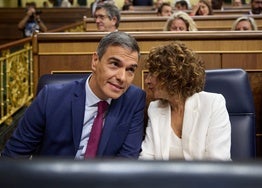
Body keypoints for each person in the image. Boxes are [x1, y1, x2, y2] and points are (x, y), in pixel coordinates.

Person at [1, 31, 146, 159]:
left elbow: (127, 159)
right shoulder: (50, 97)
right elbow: (14, 155)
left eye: (130, 70)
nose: (122, 77)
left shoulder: (134, 99)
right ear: (95, 61)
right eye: (114, 64)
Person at [139, 41, 231, 160]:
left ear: (171, 76)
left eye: (152, 74)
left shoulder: (213, 103)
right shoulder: (155, 108)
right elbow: (147, 157)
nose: (147, 81)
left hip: (209, 178)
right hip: (165, 179)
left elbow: (217, 161)